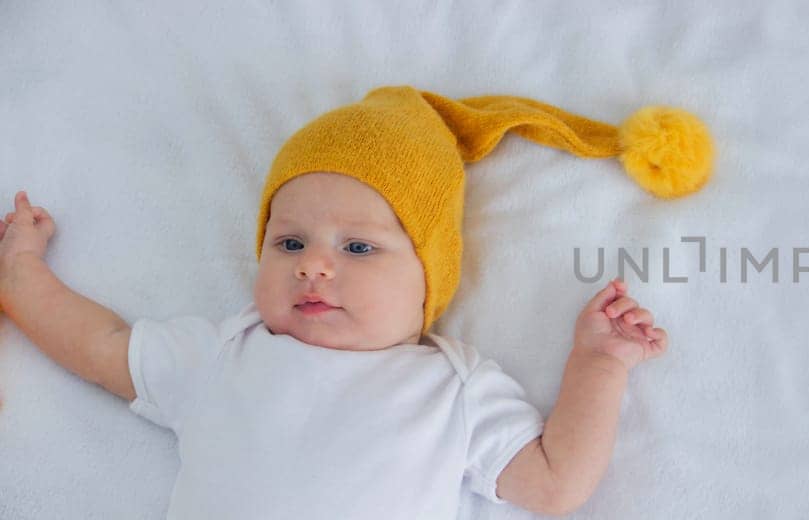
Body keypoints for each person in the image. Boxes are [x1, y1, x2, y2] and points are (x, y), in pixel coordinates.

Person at [0, 85, 714, 517]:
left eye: (359, 248)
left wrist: (598, 366)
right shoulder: (224, 352)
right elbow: (96, 345)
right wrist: (23, 272)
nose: (313, 265)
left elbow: (554, 484)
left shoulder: (451, 386)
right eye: (288, 243)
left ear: (430, 279)